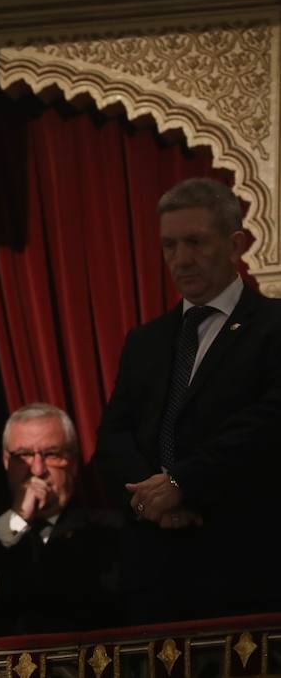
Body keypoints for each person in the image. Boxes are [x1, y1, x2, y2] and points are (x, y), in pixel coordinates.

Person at [96, 177, 281, 622]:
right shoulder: (145, 340)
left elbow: (268, 424)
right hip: (154, 567)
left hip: (246, 562)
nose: (180, 260)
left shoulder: (272, 326)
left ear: (235, 243)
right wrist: (152, 501)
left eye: (196, 242)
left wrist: (183, 484)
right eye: (169, 246)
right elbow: (114, 433)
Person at [0, 403, 120, 636]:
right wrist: (18, 517)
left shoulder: (109, 530)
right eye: (23, 455)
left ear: (72, 461)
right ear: (5, 462)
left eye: (51, 454)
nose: (38, 469)